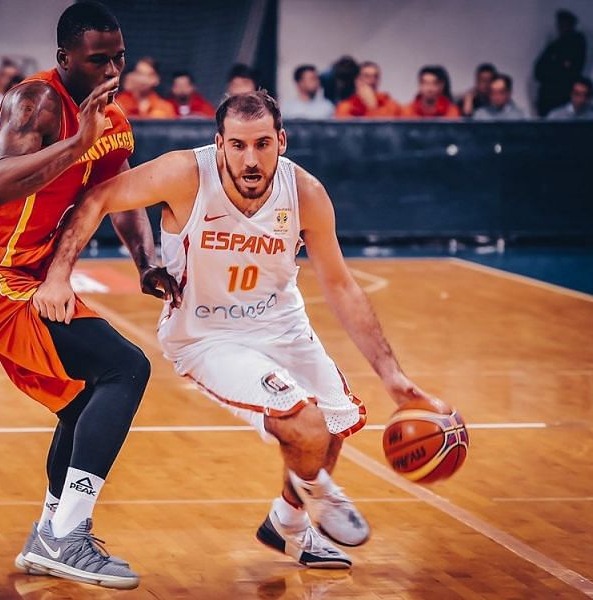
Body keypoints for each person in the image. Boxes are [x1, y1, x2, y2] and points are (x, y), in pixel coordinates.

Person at [35, 91, 440, 570]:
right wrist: (59, 275)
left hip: (283, 324)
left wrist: (392, 375)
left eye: (263, 144)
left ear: (282, 141)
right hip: (207, 334)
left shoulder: (305, 193)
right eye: (239, 145)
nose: (251, 159)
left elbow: (342, 286)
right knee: (305, 425)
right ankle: (320, 493)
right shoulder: (186, 174)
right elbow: (100, 195)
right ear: (219, 144)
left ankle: (288, 525)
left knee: (333, 424)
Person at [0, 1, 179, 590]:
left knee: (82, 398)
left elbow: (111, 200)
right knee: (125, 368)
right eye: (99, 59)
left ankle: (51, 532)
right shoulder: (36, 102)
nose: (112, 70)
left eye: (118, 57)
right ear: (64, 58)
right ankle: (67, 536)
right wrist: (77, 143)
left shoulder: (113, 122)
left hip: (22, 271)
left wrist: (147, 262)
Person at [535, 9, 587, 117]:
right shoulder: (554, 45)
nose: (561, 27)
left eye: (564, 24)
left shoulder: (577, 44)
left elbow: (571, 71)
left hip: (563, 95)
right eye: (560, 24)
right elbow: (538, 71)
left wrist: (554, 69)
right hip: (548, 97)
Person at [335, 61, 401, 119]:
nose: (372, 81)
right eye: (366, 76)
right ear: (357, 81)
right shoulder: (346, 107)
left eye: (376, 76)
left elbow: (386, 129)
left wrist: (372, 107)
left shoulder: (389, 104)